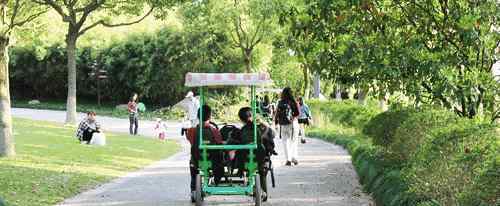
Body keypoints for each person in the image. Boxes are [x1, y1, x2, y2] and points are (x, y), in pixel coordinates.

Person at [234, 107, 276, 200]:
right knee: (262, 169)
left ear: (241, 119)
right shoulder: (261, 128)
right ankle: (263, 191)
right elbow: (273, 134)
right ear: (252, 116)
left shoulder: (241, 131)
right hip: (259, 158)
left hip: (244, 160)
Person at [186, 105, 224, 202]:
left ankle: (193, 189)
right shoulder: (215, 131)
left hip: (197, 160)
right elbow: (220, 143)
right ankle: (217, 179)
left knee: (193, 168)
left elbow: (191, 141)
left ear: (198, 116)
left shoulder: (191, 131)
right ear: (210, 116)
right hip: (214, 161)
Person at [275, 87, 300, 166]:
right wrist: (292, 118)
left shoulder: (280, 102)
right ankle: (293, 157)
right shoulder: (293, 102)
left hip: (282, 124)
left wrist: (276, 123)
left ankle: (288, 159)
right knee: (293, 141)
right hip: (292, 124)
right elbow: (297, 113)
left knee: (285, 142)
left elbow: (276, 114)